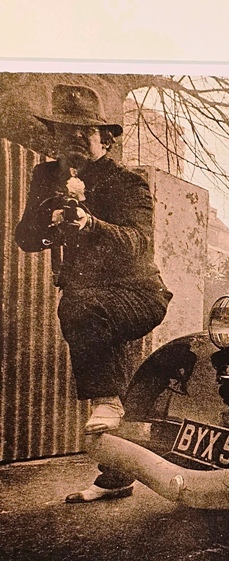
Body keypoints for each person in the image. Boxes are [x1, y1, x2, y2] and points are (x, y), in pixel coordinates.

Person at [15, 84, 172, 503]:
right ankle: (116, 476)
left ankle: (105, 400)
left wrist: (90, 226)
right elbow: (25, 239)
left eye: (84, 134)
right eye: (66, 134)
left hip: (138, 294)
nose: (74, 142)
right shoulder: (45, 176)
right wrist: (51, 225)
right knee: (125, 379)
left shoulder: (129, 183)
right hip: (93, 299)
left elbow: (138, 242)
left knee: (79, 309)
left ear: (105, 137)